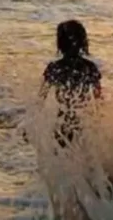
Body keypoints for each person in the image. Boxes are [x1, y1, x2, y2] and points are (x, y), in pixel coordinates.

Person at [40, 19, 103, 149]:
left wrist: (30, 127)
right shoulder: (89, 68)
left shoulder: (55, 68)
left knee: (60, 154)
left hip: (62, 122)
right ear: (83, 43)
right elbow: (99, 100)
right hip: (84, 123)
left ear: (60, 44)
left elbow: (41, 98)